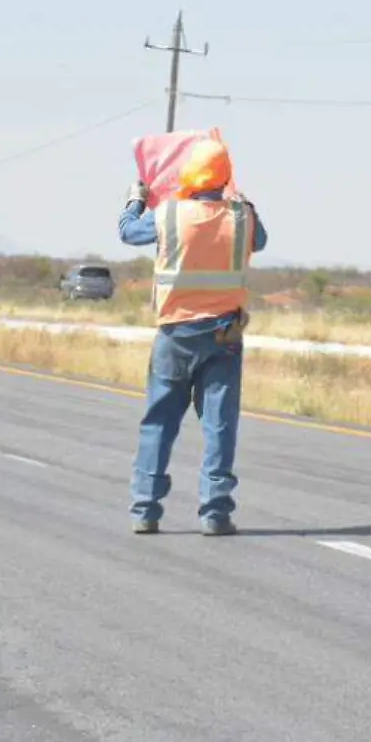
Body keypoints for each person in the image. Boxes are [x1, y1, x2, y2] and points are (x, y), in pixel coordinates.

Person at [117, 133, 267, 536]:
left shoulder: (169, 214)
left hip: (175, 336)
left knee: (160, 423)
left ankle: (145, 509)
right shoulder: (241, 217)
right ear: (225, 176)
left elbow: (129, 232)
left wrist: (135, 198)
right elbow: (262, 240)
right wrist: (241, 199)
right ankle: (215, 512)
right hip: (224, 337)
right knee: (219, 425)